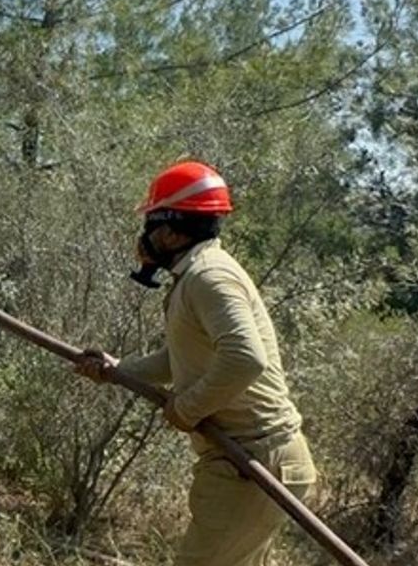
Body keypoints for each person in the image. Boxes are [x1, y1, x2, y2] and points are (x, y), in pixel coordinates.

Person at [76, 161, 317, 566]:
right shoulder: (198, 276)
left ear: (171, 230)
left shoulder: (209, 278)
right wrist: (119, 370)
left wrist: (185, 409)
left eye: (151, 224)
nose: (144, 237)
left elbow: (245, 359)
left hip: (251, 464)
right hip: (259, 463)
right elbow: (181, 360)